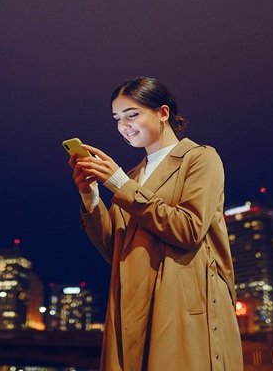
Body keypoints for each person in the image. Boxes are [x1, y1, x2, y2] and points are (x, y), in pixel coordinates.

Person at [69, 77, 243, 370]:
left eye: (132, 114)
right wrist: (90, 196)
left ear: (163, 113)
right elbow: (114, 249)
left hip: (179, 307)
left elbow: (188, 229)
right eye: (117, 118)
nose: (124, 125)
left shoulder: (200, 158)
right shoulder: (133, 176)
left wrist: (119, 183)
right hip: (131, 308)